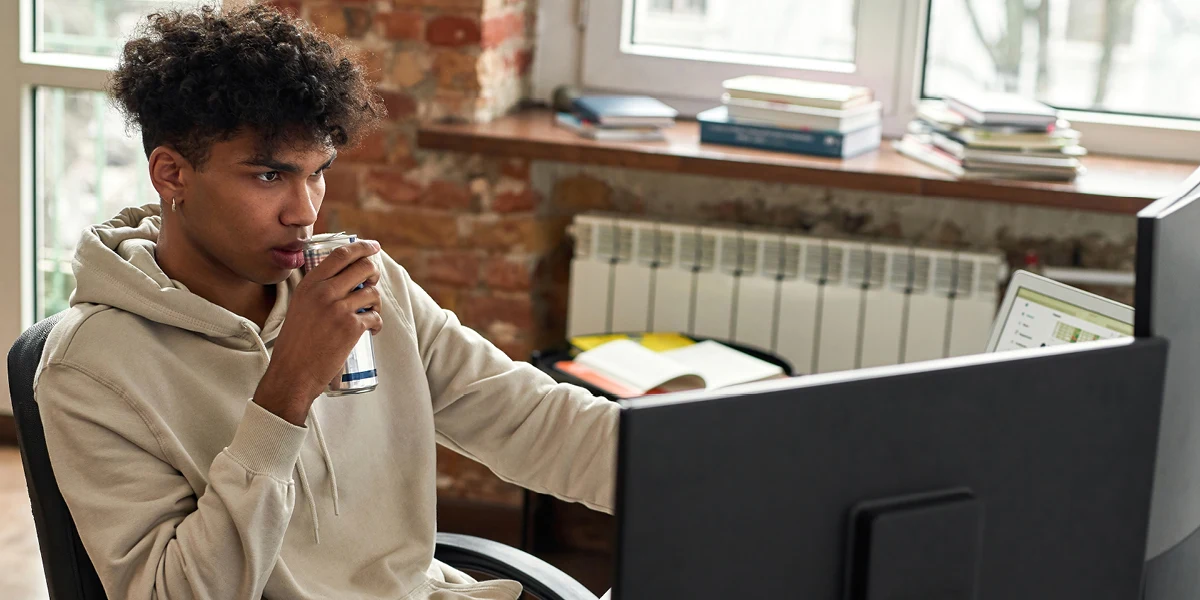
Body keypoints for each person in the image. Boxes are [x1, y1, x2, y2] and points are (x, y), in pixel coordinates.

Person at [34, 5, 617, 600]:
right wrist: (286, 390)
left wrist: (670, 463)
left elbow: (530, 420)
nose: (305, 211)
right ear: (172, 175)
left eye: (318, 173)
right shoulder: (90, 366)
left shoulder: (362, 285)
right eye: (269, 176)